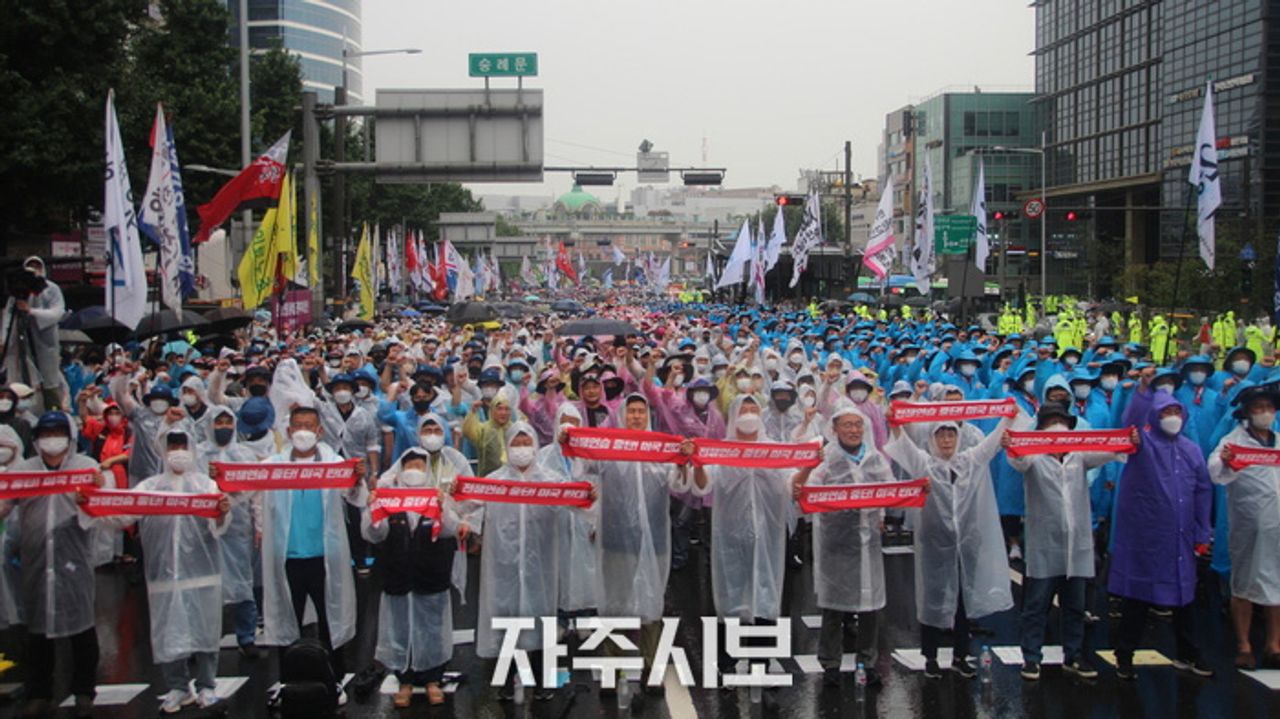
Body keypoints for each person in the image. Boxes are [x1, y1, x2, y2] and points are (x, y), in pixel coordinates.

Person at [87, 429, 231, 713]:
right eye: (172, 446)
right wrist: (93, 502)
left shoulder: (207, 485)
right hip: (164, 574)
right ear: (163, 450)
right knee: (169, 631)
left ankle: (207, 685)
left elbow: (219, 527)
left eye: (182, 445)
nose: (177, 452)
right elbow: (122, 514)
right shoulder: (149, 487)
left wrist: (222, 512)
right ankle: (178, 687)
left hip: (201, 574)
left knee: (205, 630)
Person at [688, 395, 806, 687]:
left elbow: (793, 482)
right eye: (744, 409)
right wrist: (698, 464)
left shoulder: (774, 450)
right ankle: (726, 664)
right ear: (734, 416)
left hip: (768, 537)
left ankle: (760, 665)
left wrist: (809, 467)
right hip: (731, 537)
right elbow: (703, 486)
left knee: (765, 597)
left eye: (754, 409)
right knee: (731, 598)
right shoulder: (721, 450)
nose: (750, 414)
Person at [565, 393, 683, 686]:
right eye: (631, 412)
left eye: (641, 412)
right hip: (616, 538)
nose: (636, 417)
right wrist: (570, 442)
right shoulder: (610, 448)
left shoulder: (661, 449)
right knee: (615, 604)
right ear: (622, 415)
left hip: (653, 540)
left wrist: (683, 461)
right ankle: (612, 668)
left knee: (651, 604)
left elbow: (679, 483)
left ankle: (651, 668)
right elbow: (584, 467)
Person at [251, 406, 364, 705]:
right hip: (288, 556)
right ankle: (287, 681)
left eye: (309, 425)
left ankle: (334, 679)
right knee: (286, 620)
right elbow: (249, 493)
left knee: (330, 620)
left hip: (324, 555)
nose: (303, 431)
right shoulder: (273, 466)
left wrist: (356, 479)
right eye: (298, 425)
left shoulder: (333, 463)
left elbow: (354, 497)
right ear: (289, 431)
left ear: (319, 431)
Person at [885, 414, 1013, 679]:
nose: (946, 440)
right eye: (941, 435)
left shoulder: (969, 461)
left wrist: (1007, 419)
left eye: (951, 434)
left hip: (965, 545)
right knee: (933, 599)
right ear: (933, 439)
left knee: (963, 601)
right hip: (934, 544)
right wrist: (895, 423)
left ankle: (960, 655)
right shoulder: (924, 463)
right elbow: (903, 445)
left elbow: (990, 444)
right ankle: (930, 656)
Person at [1004, 402, 1125, 681]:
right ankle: (1031, 657)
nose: (1057, 429)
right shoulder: (1034, 458)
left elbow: (1109, 451)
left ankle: (1074, 655)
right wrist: (1012, 443)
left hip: (1076, 545)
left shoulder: (1079, 456)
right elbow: (1017, 460)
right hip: (1044, 546)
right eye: (1051, 424)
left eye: (1062, 423)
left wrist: (1125, 441)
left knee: (1075, 606)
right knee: (1036, 606)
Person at [1109, 372, 1214, 680]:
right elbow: (1131, 421)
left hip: (1181, 536)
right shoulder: (1142, 444)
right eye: (1165, 412)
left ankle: (1188, 652)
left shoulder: (1191, 449)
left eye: (1176, 412)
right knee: (1138, 597)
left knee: (1184, 596)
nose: (1172, 418)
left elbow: (1203, 491)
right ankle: (1124, 655)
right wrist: (1143, 390)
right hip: (1147, 537)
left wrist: (1203, 531)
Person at [0, 412, 104, 717]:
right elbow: (5, 504)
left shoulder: (86, 467)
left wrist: (95, 491)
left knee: (81, 629)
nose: (52, 439)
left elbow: (103, 508)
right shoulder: (24, 471)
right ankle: (39, 692)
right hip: (36, 560)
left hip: (74, 558)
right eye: (46, 434)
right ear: (36, 439)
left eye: (58, 432)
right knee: (38, 630)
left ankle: (84, 691)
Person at [792, 404, 892, 686]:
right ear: (835, 429)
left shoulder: (875, 458)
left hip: (867, 542)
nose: (853, 430)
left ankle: (868, 661)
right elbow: (809, 490)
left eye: (857, 425)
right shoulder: (827, 459)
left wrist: (882, 515)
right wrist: (802, 490)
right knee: (833, 606)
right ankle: (831, 664)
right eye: (847, 425)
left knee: (870, 605)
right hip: (836, 541)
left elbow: (889, 487)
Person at [364, 447, 463, 707]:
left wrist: (442, 508)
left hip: (431, 574)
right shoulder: (388, 499)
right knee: (400, 629)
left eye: (419, 467)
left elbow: (450, 530)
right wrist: (374, 508)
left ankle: (433, 679)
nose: (414, 472)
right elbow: (374, 534)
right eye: (409, 467)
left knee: (432, 628)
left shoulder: (436, 496)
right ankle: (405, 680)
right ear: (400, 471)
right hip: (398, 574)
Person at [473, 423, 564, 702]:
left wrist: (589, 498)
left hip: (540, 564)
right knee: (507, 618)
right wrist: (456, 498)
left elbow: (578, 505)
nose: (521, 449)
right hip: (504, 564)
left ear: (535, 446)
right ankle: (506, 678)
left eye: (526, 443)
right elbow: (468, 507)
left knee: (540, 617)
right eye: (516, 443)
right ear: (507, 446)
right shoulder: (494, 481)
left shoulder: (551, 481)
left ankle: (541, 680)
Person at [1209, 384, 1280, 670]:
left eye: (1269, 408)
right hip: (1249, 525)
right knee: (1244, 583)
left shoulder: (1278, 441)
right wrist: (1226, 462)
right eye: (1258, 408)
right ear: (1248, 412)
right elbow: (1215, 471)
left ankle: (1274, 644)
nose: (1265, 413)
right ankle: (1244, 645)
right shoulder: (1233, 441)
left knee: (1277, 583)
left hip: (1277, 525)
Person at [203, 406, 263, 658]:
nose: (224, 427)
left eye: (229, 422)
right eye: (219, 422)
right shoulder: (198, 454)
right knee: (206, 584)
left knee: (241, 583)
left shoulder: (244, 454)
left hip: (238, 528)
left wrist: (259, 524)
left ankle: (246, 636)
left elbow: (256, 492)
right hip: (206, 529)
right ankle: (203, 638)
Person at [0, 258, 66, 410]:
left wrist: (32, 311)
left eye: (37, 266)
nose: (34, 269)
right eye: (30, 266)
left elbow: (57, 312)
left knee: (49, 380)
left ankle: (52, 409)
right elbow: (8, 315)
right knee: (17, 376)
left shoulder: (51, 288)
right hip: (19, 340)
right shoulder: (16, 290)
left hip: (44, 341)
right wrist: (3, 339)